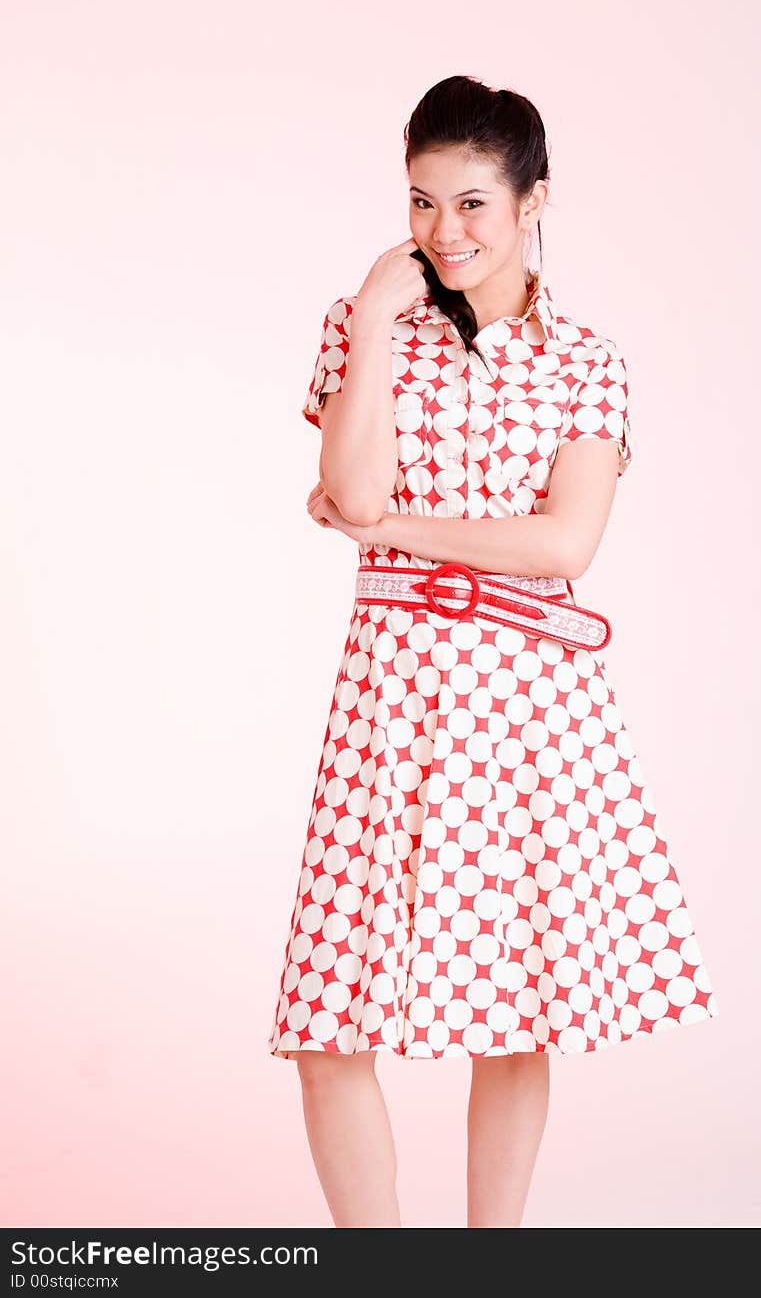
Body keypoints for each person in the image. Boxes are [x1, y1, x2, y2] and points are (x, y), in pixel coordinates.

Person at [268, 75, 719, 1228]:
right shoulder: (362, 327)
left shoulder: (587, 361)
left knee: (517, 1011)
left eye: (471, 203)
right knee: (332, 1015)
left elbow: (565, 538)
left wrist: (392, 531)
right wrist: (373, 319)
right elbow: (352, 480)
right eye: (420, 203)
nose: (441, 233)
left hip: (528, 703)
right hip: (390, 687)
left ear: (534, 200)